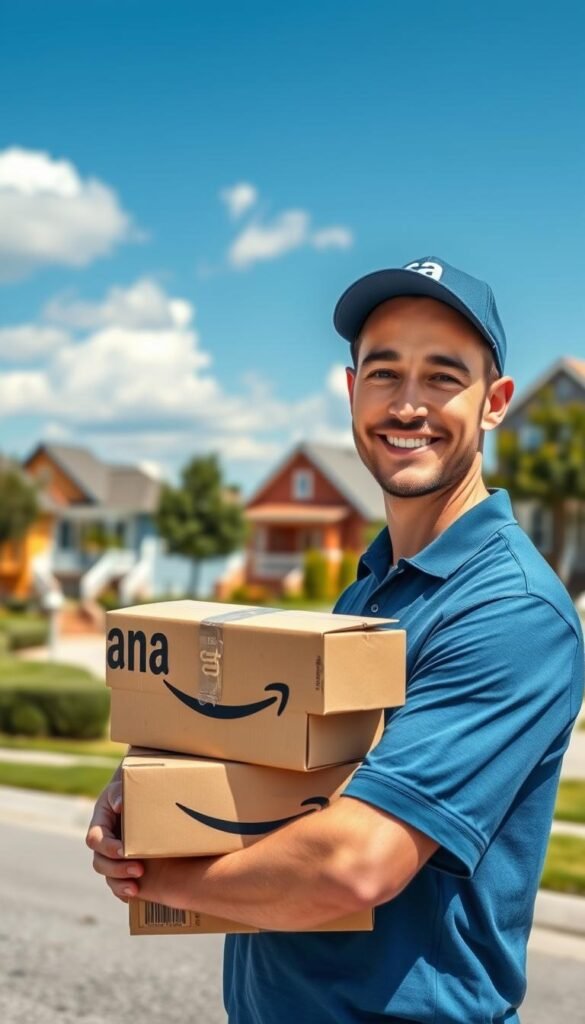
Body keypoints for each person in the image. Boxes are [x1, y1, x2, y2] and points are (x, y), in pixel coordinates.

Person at [87, 256, 584, 1024]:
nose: (408, 404)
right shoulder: (368, 591)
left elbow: (355, 865)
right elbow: (280, 774)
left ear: (495, 403)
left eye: (442, 376)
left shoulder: (511, 612)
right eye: (384, 373)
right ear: (351, 392)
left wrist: (157, 877)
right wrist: (153, 798)